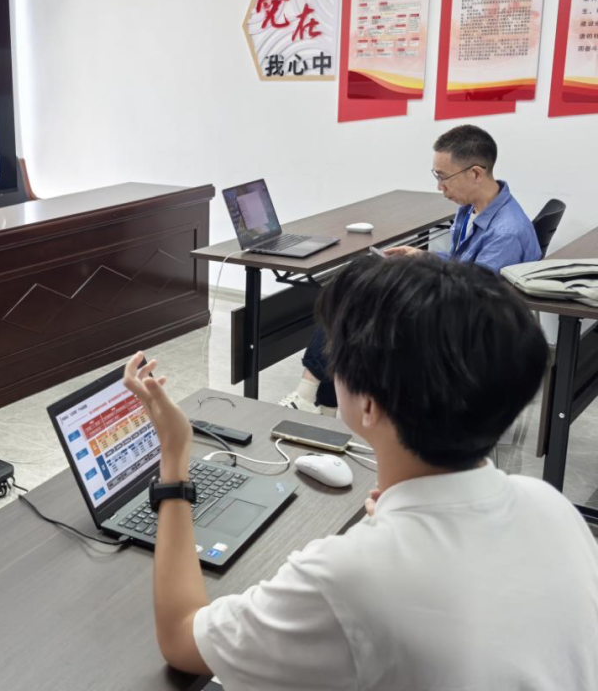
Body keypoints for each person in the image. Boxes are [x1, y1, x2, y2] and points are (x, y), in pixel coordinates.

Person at [123, 255, 598, 690]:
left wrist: (175, 460)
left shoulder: (347, 578)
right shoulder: (551, 508)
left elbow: (181, 640)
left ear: (368, 404)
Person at [282, 124, 542, 416]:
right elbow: (465, 265)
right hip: (459, 305)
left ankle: (309, 395)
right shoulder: (473, 207)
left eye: (443, 177)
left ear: (475, 174)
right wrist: (424, 257)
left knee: (355, 303)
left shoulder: (506, 232)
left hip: (466, 328)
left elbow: (473, 295)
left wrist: (412, 284)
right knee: (356, 289)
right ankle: (321, 403)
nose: (440, 187)